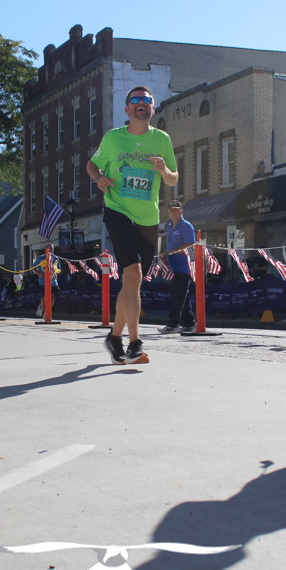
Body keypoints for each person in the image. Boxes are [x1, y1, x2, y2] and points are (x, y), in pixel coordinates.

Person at [87, 85, 178, 363]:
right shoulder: (113, 138)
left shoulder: (162, 139)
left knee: (132, 282)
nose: (141, 103)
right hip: (118, 210)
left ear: (152, 107)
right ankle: (135, 342)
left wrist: (163, 170)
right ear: (127, 109)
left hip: (148, 218)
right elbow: (92, 165)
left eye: (146, 100)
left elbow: (173, 178)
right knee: (134, 274)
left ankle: (114, 336)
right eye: (135, 100)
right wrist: (99, 179)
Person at [158, 200, 197, 334]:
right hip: (173, 266)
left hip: (183, 266)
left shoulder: (186, 226)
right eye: (171, 211)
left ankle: (173, 324)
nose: (173, 213)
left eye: (176, 210)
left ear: (181, 211)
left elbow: (191, 244)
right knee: (182, 295)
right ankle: (189, 322)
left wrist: (171, 252)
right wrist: (166, 254)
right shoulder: (169, 226)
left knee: (176, 295)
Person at [33, 243, 61, 318]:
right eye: (49, 249)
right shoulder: (41, 258)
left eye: (52, 249)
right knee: (45, 296)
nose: (51, 250)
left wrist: (56, 272)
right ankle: (41, 307)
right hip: (43, 281)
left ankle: (47, 312)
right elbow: (33, 268)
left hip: (53, 281)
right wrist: (39, 273)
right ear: (46, 249)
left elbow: (59, 269)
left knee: (52, 297)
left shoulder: (56, 258)